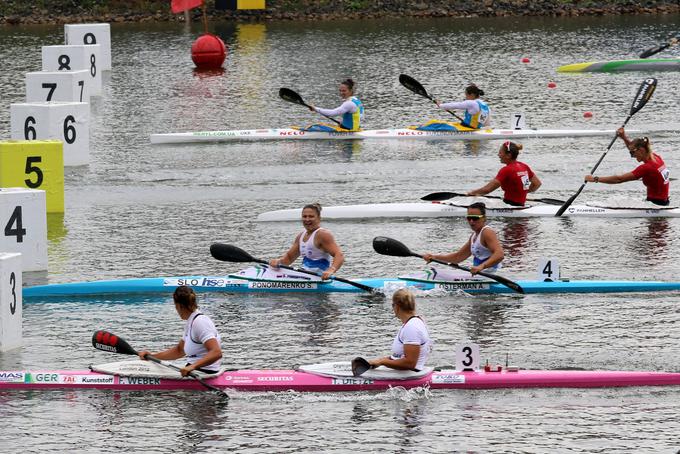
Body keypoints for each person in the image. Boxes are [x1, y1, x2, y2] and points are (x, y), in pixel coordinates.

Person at [138, 286, 222, 376]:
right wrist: (152, 356)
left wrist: (192, 367)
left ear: (178, 305)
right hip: (194, 372)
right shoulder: (191, 321)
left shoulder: (200, 322)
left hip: (203, 374)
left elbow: (216, 352)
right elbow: (179, 351)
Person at [584, 127, 670, 206]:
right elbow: (633, 147)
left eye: (632, 153)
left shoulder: (647, 167)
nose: (632, 156)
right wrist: (623, 137)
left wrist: (595, 179)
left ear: (641, 150)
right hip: (663, 202)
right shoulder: (656, 157)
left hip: (656, 205)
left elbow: (619, 179)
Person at [423, 202, 504, 275]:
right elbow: (457, 257)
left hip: (491, 275)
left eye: (475, 218)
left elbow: (499, 255)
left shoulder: (487, 232)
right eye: (469, 218)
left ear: (484, 218)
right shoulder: (474, 236)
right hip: (480, 274)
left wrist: (481, 267)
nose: (471, 221)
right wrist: (434, 257)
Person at [269, 203, 345, 280]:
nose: (307, 219)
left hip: (319, 278)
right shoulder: (300, 236)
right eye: (304, 216)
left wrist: (331, 270)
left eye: (311, 216)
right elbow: (289, 258)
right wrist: (278, 261)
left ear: (319, 218)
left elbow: (339, 255)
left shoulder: (323, 234)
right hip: (304, 275)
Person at [368, 288, 432, 372]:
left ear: (397, 306)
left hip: (411, 376)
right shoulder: (414, 322)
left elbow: (410, 363)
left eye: (392, 305)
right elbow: (399, 356)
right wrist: (381, 360)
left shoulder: (412, 327)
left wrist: (382, 362)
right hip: (404, 373)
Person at [467, 141, 542, 206]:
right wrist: (523, 192)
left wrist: (471, 193)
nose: (498, 155)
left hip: (509, 205)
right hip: (520, 204)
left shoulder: (506, 170)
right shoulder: (524, 166)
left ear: (508, 155)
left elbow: (487, 190)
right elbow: (537, 184)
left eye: (500, 152)